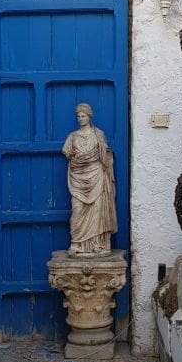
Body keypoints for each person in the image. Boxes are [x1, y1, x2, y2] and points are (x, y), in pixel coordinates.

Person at [62, 103, 118, 256]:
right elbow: (67, 153)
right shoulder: (72, 137)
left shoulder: (99, 134)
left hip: (97, 176)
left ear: (89, 116)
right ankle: (76, 244)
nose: (81, 118)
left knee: (98, 210)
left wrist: (106, 155)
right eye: (79, 116)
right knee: (77, 210)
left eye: (83, 116)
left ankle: (97, 244)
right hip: (78, 177)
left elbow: (106, 155)